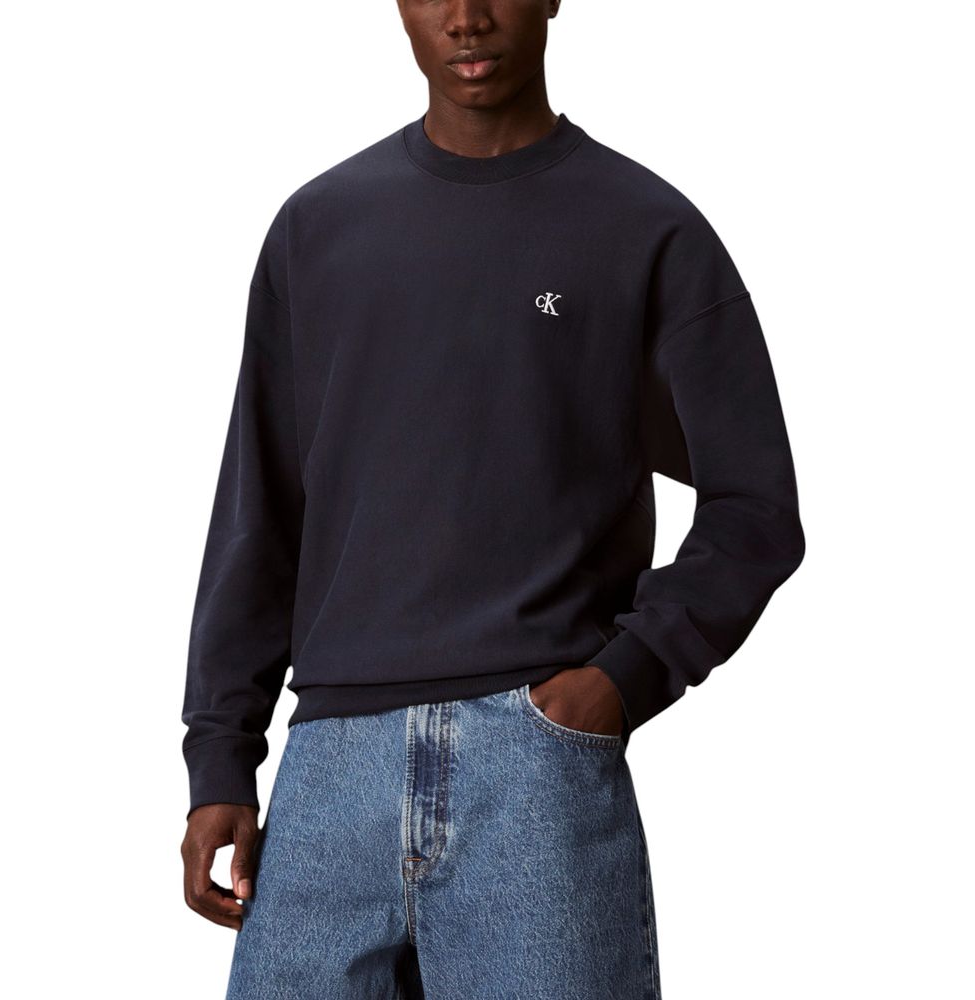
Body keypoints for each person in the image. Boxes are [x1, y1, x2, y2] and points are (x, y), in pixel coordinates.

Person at [179, 2, 805, 996]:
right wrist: (220, 758)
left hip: (535, 770)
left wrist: (625, 678)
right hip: (329, 770)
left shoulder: (643, 228)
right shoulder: (319, 228)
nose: (466, 18)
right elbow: (261, 509)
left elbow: (755, 507)